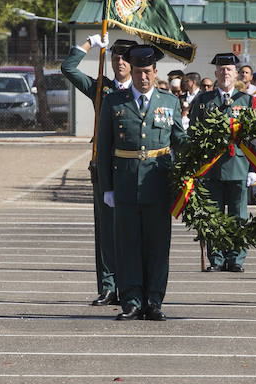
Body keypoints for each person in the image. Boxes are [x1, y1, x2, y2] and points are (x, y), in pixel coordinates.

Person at [97, 44, 186, 321]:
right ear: (132, 72)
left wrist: (205, 146)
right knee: (128, 246)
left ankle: (155, 300)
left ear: (155, 72)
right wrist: (107, 188)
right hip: (124, 187)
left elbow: (179, 141)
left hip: (158, 186)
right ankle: (132, 301)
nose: (143, 77)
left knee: (158, 247)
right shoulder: (114, 102)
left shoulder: (169, 101)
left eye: (147, 72)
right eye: (138, 72)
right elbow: (104, 147)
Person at [61, 34, 136, 307]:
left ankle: (130, 285)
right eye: (115, 58)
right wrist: (90, 43)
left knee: (129, 228)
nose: (119, 62)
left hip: (130, 165)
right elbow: (68, 69)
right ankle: (107, 285)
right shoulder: (100, 88)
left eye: (124, 58)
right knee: (105, 229)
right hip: (103, 166)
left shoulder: (139, 90)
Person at [189, 53, 256, 273]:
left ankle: (236, 258)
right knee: (213, 215)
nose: (225, 73)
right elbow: (193, 133)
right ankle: (217, 258)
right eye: (221, 69)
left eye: (229, 69)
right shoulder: (203, 101)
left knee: (238, 216)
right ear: (215, 73)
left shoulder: (247, 100)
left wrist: (254, 169)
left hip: (238, 165)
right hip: (211, 168)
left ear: (236, 73)